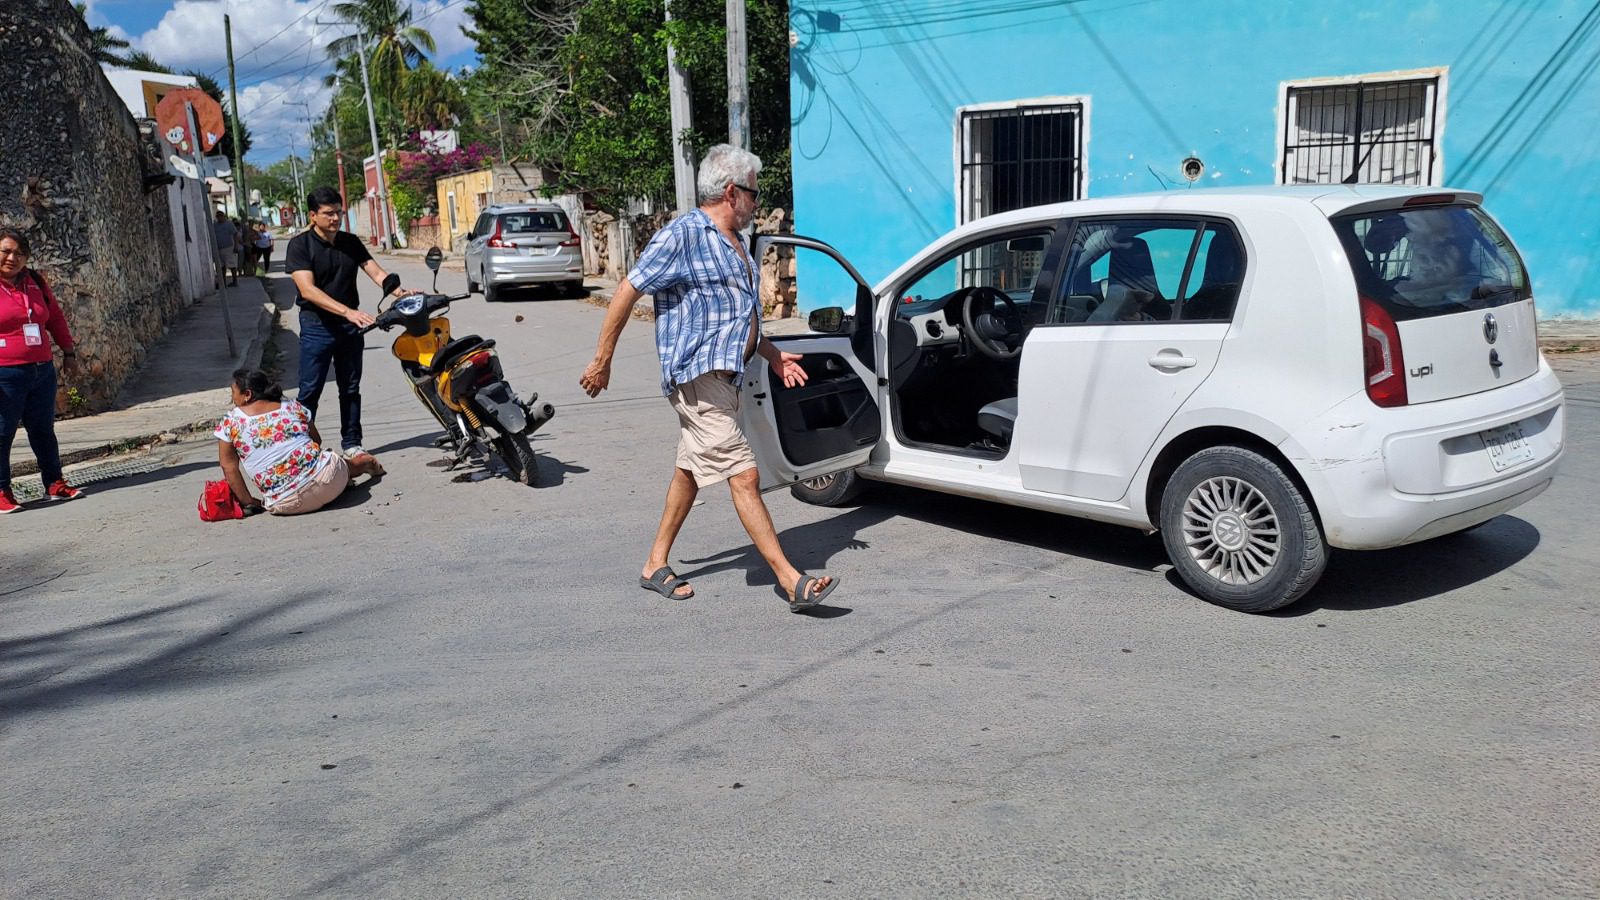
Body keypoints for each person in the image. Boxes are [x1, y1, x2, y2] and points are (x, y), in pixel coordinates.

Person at [579, 144, 839, 612]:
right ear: (732, 192)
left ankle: (654, 562)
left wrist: (774, 355)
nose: (757, 204)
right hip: (696, 379)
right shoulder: (683, 234)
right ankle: (790, 580)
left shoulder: (736, 243)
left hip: (726, 380)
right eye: (754, 195)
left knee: (690, 471)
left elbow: (737, 316)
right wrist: (602, 360)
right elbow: (627, 289)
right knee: (745, 474)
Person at [284, 186, 409, 459]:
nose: (335, 218)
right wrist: (348, 312)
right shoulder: (299, 246)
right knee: (309, 391)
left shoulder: (350, 242)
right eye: (329, 214)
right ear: (313, 215)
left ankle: (352, 443)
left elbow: (375, 271)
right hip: (317, 326)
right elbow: (308, 290)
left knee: (350, 388)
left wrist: (399, 292)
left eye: (338, 212)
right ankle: (298, 447)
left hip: (349, 329)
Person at [214, 368, 385, 516]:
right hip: (331, 480)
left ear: (247, 395)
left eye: (233, 393)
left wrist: (248, 501)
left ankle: (343, 475)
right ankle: (362, 463)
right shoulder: (290, 406)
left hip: (285, 504)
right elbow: (316, 440)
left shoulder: (230, 421)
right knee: (333, 462)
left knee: (325, 467)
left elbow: (228, 467)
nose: (232, 398)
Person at [0, 227, 84, 513]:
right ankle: (2, 490)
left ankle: (54, 483)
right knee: (2, 432)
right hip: (6, 373)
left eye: (20, 253)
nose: (13, 258)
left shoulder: (34, 281)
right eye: (6, 251)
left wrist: (68, 352)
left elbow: (55, 318)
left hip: (41, 369)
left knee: (43, 430)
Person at [213, 210, 238, 287]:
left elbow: (235, 234)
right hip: (219, 248)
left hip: (228, 247)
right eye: (218, 216)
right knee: (221, 266)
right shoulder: (215, 225)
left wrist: (235, 246)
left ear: (224, 216)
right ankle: (223, 283)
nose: (220, 218)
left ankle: (235, 282)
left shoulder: (229, 224)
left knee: (231, 265)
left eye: (221, 216)